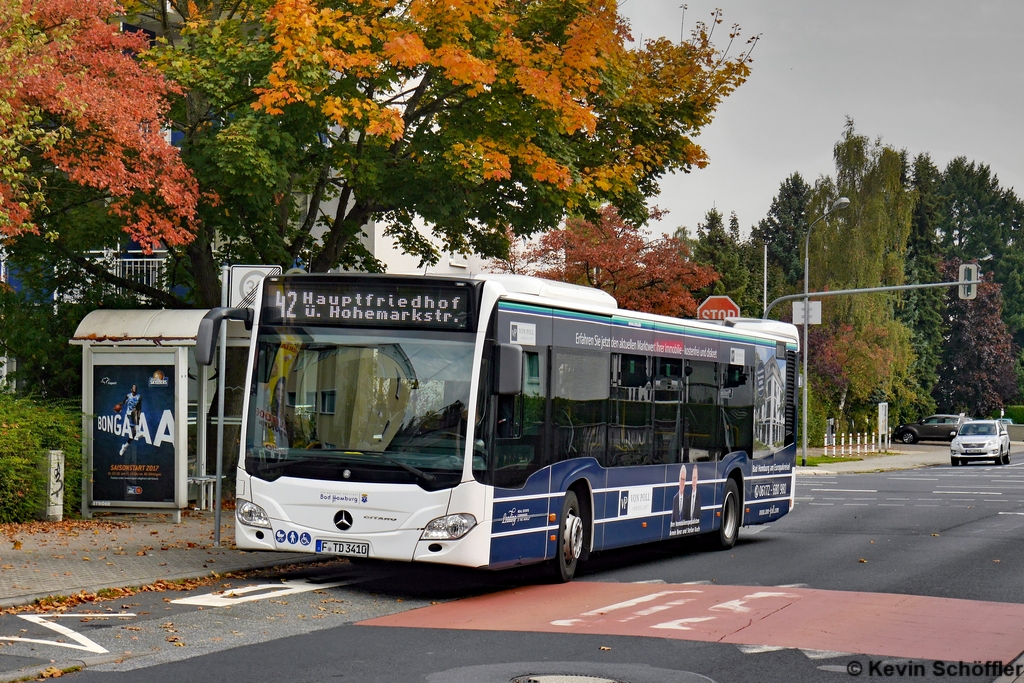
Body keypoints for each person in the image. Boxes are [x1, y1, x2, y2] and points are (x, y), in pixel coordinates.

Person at [118, 384, 142, 456]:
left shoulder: (139, 397)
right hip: (129, 414)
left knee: (133, 435)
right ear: (131, 389)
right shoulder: (128, 396)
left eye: (135, 387)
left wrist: (139, 415)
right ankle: (138, 432)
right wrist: (118, 406)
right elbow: (123, 402)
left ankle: (125, 446)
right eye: (133, 387)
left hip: (135, 415)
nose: (134, 388)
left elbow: (140, 407)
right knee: (134, 411)